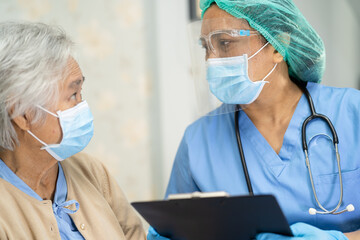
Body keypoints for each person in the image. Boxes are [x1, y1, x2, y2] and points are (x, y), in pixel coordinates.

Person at [148, 0, 360, 239]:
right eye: (206, 47)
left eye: (224, 43)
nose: (211, 60)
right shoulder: (198, 141)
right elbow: (176, 231)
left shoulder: (352, 112)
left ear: (279, 45)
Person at [0, 22, 145, 240]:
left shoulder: (91, 171)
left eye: (81, 92)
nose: (82, 106)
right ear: (23, 115)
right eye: (73, 95)